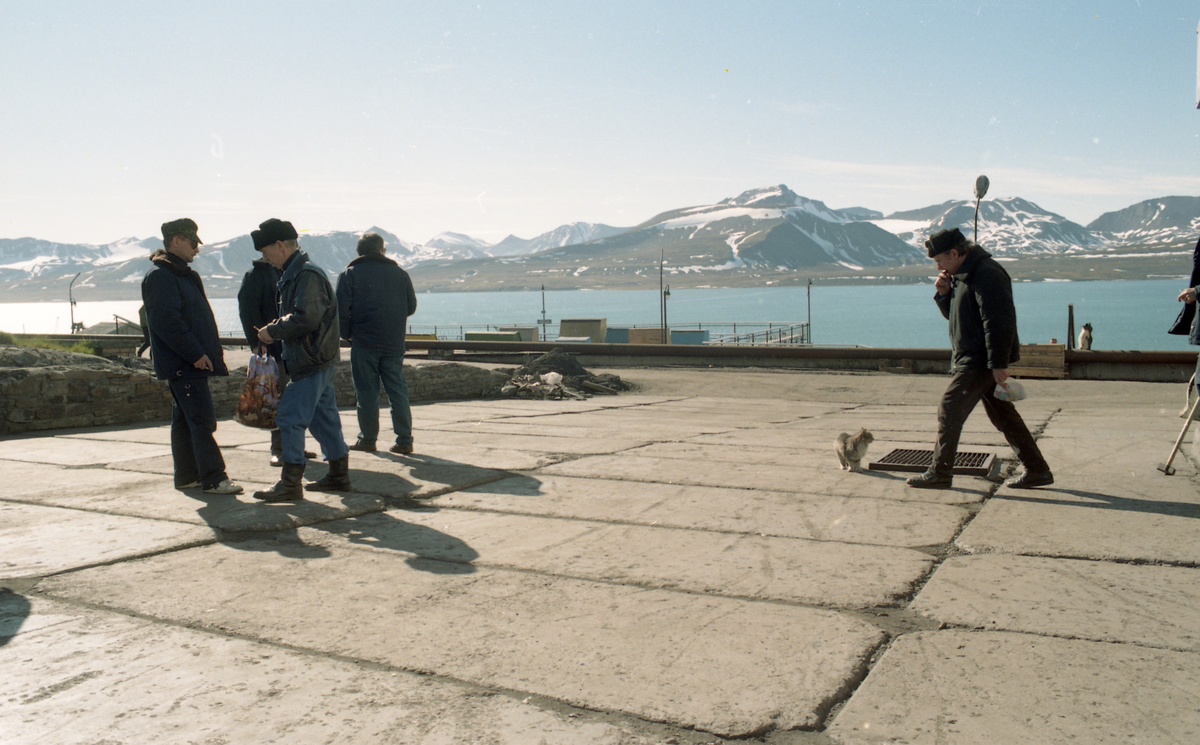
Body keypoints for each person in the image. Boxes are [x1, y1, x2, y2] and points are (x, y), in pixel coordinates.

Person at [907, 227, 1053, 490]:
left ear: (955, 252)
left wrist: (998, 363)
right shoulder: (964, 275)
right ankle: (1038, 469)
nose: (938, 266)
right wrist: (945, 296)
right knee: (1004, 416)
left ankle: (940, 472)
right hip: (976, 357)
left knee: (950, 409)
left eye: (940, 260)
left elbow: (998, 321)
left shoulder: (986, 273)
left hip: (979, 360)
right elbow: (963, 319)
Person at [141, 218, 243, 495]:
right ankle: (214, 478)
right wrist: (196, 353)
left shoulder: (181, 274)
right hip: (185, 364)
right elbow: (166, 321)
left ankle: (187, 477)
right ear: (176, 240)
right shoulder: (161, 276)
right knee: (201, 421)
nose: (196, 248)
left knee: (185, 422)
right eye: (192, 242)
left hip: (186, 363)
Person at [251, 218, 351, 502]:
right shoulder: (301, 273)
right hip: (318, 358)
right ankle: (339, 475)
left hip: (309, 360)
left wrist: (273, 330)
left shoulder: (304, 275)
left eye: (265, 251)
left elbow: (307, 317)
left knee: (289, 418)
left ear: (280, 245)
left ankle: (291, 483)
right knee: (323, 419)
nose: (264, 258)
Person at [336, 232, 419, 455]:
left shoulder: (349, 274)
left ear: (359, 251)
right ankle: (404, 440)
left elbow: (340, 312)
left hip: (363, 342)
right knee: (398, 391)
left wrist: (348, 335)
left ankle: (368, 439)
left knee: (366, 393)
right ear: (382, 249)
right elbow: (411, 307)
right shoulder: (401, 274)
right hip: (393, 343)